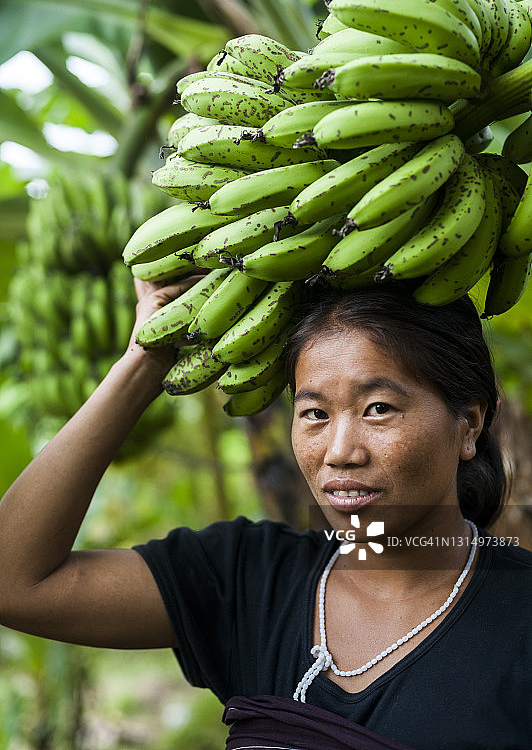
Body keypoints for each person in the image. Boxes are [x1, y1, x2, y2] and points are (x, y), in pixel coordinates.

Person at [0, 276, 531, 750]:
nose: (341, 451)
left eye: (378, 409)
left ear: (469, 424)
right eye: (315, 413)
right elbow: (14, 581)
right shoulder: (249, 577)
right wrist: (146, 357)